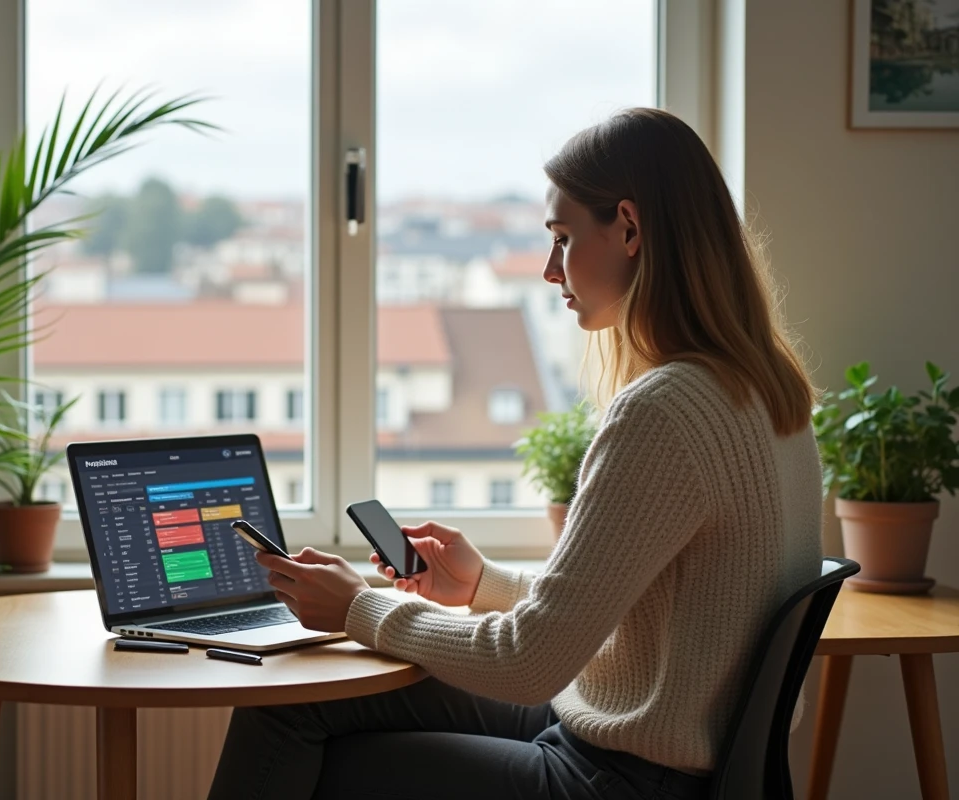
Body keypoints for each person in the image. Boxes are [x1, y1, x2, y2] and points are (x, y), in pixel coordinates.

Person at [207, 107, 823, 800]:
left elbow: (528, 664)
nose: (548, 269)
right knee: (301, 706)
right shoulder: (768, 392)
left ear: (628, 228)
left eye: (563, 239)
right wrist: (483, 586)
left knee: (304, 734)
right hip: (641, 749)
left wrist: (357, 607)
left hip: (618, 778)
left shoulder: (665, 412)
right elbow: (618, 612)